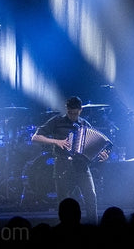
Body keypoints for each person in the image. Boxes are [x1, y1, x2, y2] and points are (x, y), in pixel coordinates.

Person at [31, 96, 109, 224]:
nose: (73, 116)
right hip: (63, 165)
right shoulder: (57, 121)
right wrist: (56, 141)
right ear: (66, 110)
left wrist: (102, 155)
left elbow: (94, 147)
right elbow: (35, 137)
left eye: (76, 113)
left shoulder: (85, 124)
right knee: (63, 202)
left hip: (82, 167)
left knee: (91, 198)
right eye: (70, 113)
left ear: (80, 110)